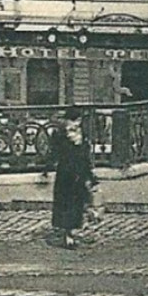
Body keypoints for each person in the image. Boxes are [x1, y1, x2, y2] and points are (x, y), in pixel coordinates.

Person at [43, 106, 96, 249]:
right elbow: (55, 153)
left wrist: (90, 175)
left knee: (78, 204)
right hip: (66, 175)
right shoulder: (60, 135)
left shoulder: (82, 135)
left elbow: (85, 156)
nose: (76, 123)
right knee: (66, 204)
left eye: (78, 120)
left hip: (79, 173)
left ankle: (73, 230)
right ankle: (68, 235)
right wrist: (47, 168)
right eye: (73, 120)